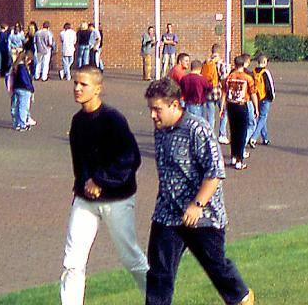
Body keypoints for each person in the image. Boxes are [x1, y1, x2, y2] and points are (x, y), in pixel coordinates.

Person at [143, 78, 255, 305]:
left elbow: (214, 173)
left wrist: (197, 205)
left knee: (217, 268)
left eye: (157, 109)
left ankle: (241, 297)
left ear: (175, 105)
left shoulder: (197, 129)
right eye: (150, 109)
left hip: (203, 216)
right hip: (167, 214)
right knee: (159, 274)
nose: (153, 115)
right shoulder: (160, 130)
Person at [60, 66, 148, 304]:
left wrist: (100, 180)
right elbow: (80, 163)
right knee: (73, 262)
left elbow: (130, 159)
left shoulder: (113, 119)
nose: (77, 88)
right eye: (75, 83)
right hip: (85, 200)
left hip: (117, 199)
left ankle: (157, 298)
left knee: (130, 257)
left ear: (98, 88)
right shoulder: (77, 122)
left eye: (84, 84)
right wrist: (87, 182)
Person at [223, 55, 258, 170]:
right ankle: (239, 159)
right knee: (242, 132)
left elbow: (224, 92)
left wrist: (223, 107)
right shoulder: (247, 78)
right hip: (241, 106)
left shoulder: (229, 77)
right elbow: (253, 93)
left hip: (231, 105)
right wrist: (256, 107)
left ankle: (233, 156)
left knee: (233, 131)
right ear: (243, 65)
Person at [201, 45, 228, 144]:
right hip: (219, 91)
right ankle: (222, 134)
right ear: (219, 52)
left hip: (208, 91)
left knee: (210, 115)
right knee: (224, 111)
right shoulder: (221, 64)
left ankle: (210, 135)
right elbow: (224, 78)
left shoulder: (206, 62)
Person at [249, 55, 275, 147]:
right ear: (264, 62)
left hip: (256, 97)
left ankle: (265, 138)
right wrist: (272, 96)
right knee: (263, 117)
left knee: (261, 117)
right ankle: (253, 138)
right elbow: (270, 86)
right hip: (265, 98)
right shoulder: (265, 72)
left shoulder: (253, 72)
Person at [9, 50, 35, 131]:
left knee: (17, 106)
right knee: (23, 107)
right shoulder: (22, 67)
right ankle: (22, 124)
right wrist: (31, 88)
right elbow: (25, 80)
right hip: (24, 89)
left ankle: (17, 123)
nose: (30, 62)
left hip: (17, 88)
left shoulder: (16, 66)